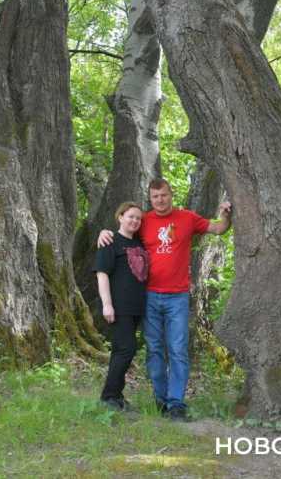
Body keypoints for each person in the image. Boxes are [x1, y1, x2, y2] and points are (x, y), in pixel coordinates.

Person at [98, 178, 231, 421]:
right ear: (151, 199)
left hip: (177, 297)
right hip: (148, 296)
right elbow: (123, 233)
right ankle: (161, 400)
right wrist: (104, 233)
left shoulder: (187, 218)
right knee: (155, 349)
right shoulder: (144, 221)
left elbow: (219, 229)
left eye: (164, 195)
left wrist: (225, 215)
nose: (160, 200)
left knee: (178, 349)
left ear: (171, 194)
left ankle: (176, 403)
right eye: (155, 196)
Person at [93, 202, 150, 411]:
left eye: (138, 218)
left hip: (137, 307)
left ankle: (115, 396)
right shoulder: (110, 241)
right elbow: (102, 273)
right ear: (120, 217)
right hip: (119, 306)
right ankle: (108, 396)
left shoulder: (140, 244)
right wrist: (107, 304)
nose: (134, 221)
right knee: (126, 348)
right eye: (130, 216)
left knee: (122, 350)